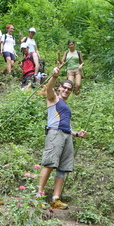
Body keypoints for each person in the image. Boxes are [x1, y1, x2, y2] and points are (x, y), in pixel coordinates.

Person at [37, 66, 87, 209]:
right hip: (55, 134)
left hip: (66, 135)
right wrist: (54, 76)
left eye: (69, 89)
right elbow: (48, 89)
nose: (66, 90)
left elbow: (66, 125)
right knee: (50, 163)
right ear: (60, 88)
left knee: (63, 168)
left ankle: (55, 199)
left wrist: (77, 133)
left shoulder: (66, 106)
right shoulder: (54, 99)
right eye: (64, 87)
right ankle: (38, 195)